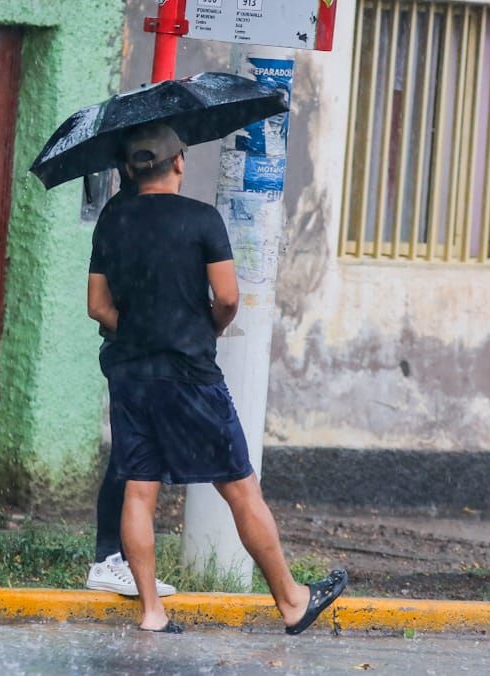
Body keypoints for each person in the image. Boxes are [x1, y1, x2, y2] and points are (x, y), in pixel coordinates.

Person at [86, 123, 348, 634]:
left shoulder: (112, 221)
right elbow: (228, 297)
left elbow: (98, 306)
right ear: (178, 162)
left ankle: (151, 613)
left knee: (139, 490)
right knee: (240, 488)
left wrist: (141, 329)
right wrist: (204, 328)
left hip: (131, 373)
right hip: (189, 375)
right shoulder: (202, 219)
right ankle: (293, 601)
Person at [86, 169, 177, 599]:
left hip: (135, 351)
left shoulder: (130, 213)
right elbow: (98, 305)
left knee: (136, 456)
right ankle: (108, 559)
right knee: (130, 457)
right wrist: (143, 333)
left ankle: (124, 560)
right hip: (131, 354)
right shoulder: (125, 217)